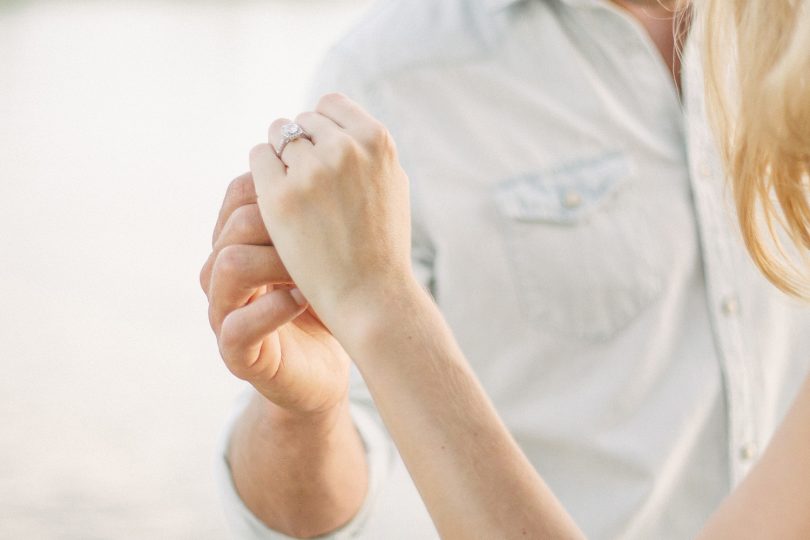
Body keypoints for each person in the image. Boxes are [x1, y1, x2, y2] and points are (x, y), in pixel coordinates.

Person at [199, 0, 810, 538]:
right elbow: (311, 499)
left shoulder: (785, 33)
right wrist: (303, 409)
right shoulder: (389, 72)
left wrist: (379, 302)